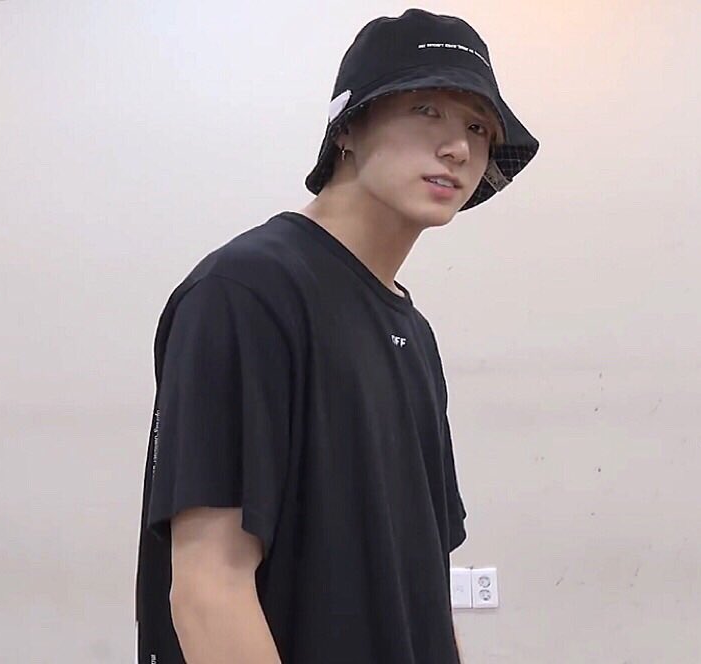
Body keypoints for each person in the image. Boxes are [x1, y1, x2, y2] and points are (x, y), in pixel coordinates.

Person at [134, 8, 538, 663]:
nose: (458, 148)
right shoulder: (248, 292)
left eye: (476, 128)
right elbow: (208, 589)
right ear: (348, 126)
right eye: (426, 110)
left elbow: (423, 588)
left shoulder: (412, 332)